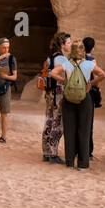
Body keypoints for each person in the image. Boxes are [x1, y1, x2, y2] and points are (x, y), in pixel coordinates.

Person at [50, 40, 105, 170]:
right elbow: (103, 74)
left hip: (68, 99)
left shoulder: (66, 64)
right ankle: (83, 163)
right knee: (84, 131)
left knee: (70, 130)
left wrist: (65, 81)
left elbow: (52, 73)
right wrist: (91, 83)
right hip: (84, 99)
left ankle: (69, 161)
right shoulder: (89, 64)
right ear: (83, 50)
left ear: (72, 51)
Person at [41, 31, 70, 163]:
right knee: (58, 122)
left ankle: (46, 152)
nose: (70, 45)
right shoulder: (62, 59)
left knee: (49, 120)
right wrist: (65, 82)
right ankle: (53, 153)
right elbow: (61, 75)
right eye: (68, 42)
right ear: (62, 44)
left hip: (49, 92)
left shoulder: (50, 57)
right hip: (58, 92)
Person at [83, 37, 100, 158]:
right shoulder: (92, 61)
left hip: (76, 90)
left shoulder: (77, 59)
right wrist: (92, 84)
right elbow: (97, 77)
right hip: (88, 92)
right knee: (89, 122)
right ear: (92, 48)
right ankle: (88, 151)